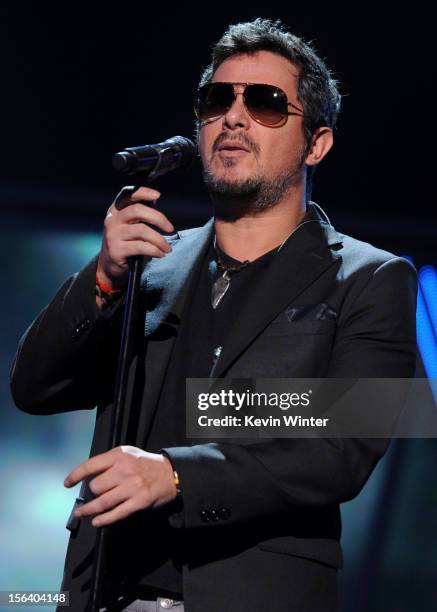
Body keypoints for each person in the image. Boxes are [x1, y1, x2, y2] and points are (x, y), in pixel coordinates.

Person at [10, 18, 417, 612]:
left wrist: (177, 474)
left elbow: (340, 449)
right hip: (105, 592)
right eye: (217, 99)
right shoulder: (152, 264)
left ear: (317, 143)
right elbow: (34, 387)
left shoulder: (371, 278)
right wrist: (102, 279)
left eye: (266, 103)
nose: (233, 116)